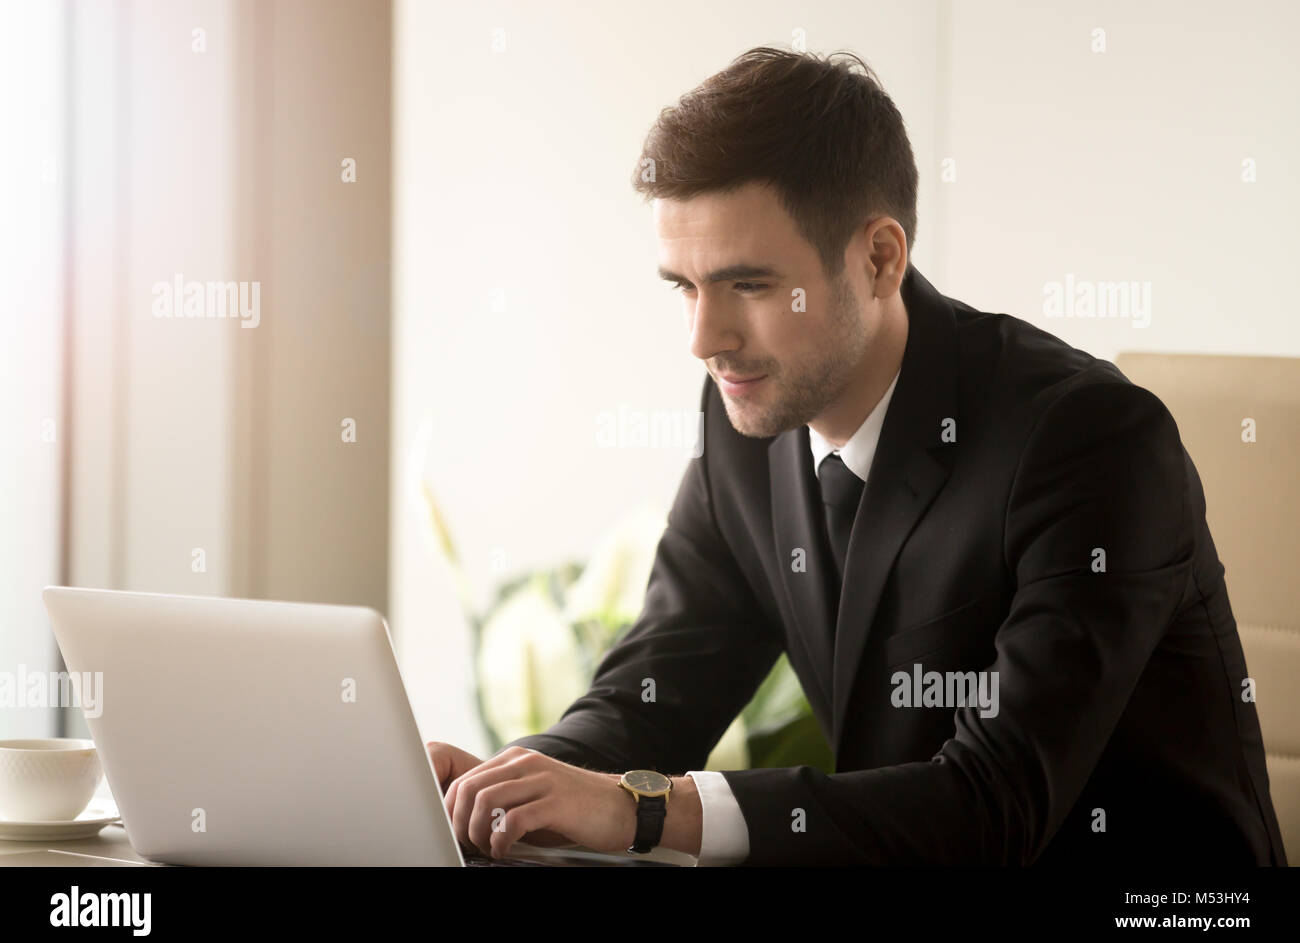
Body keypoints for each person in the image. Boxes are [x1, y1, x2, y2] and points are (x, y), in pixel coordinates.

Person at [427, 46, 1287, 866]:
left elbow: (994, 807)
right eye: (684, 287)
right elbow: (656, 691)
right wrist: (509, 785)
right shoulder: (747, 414)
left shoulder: (1089, 441)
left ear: (879, 258)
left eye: (749, 285)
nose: (704, 339)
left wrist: (650, 809)